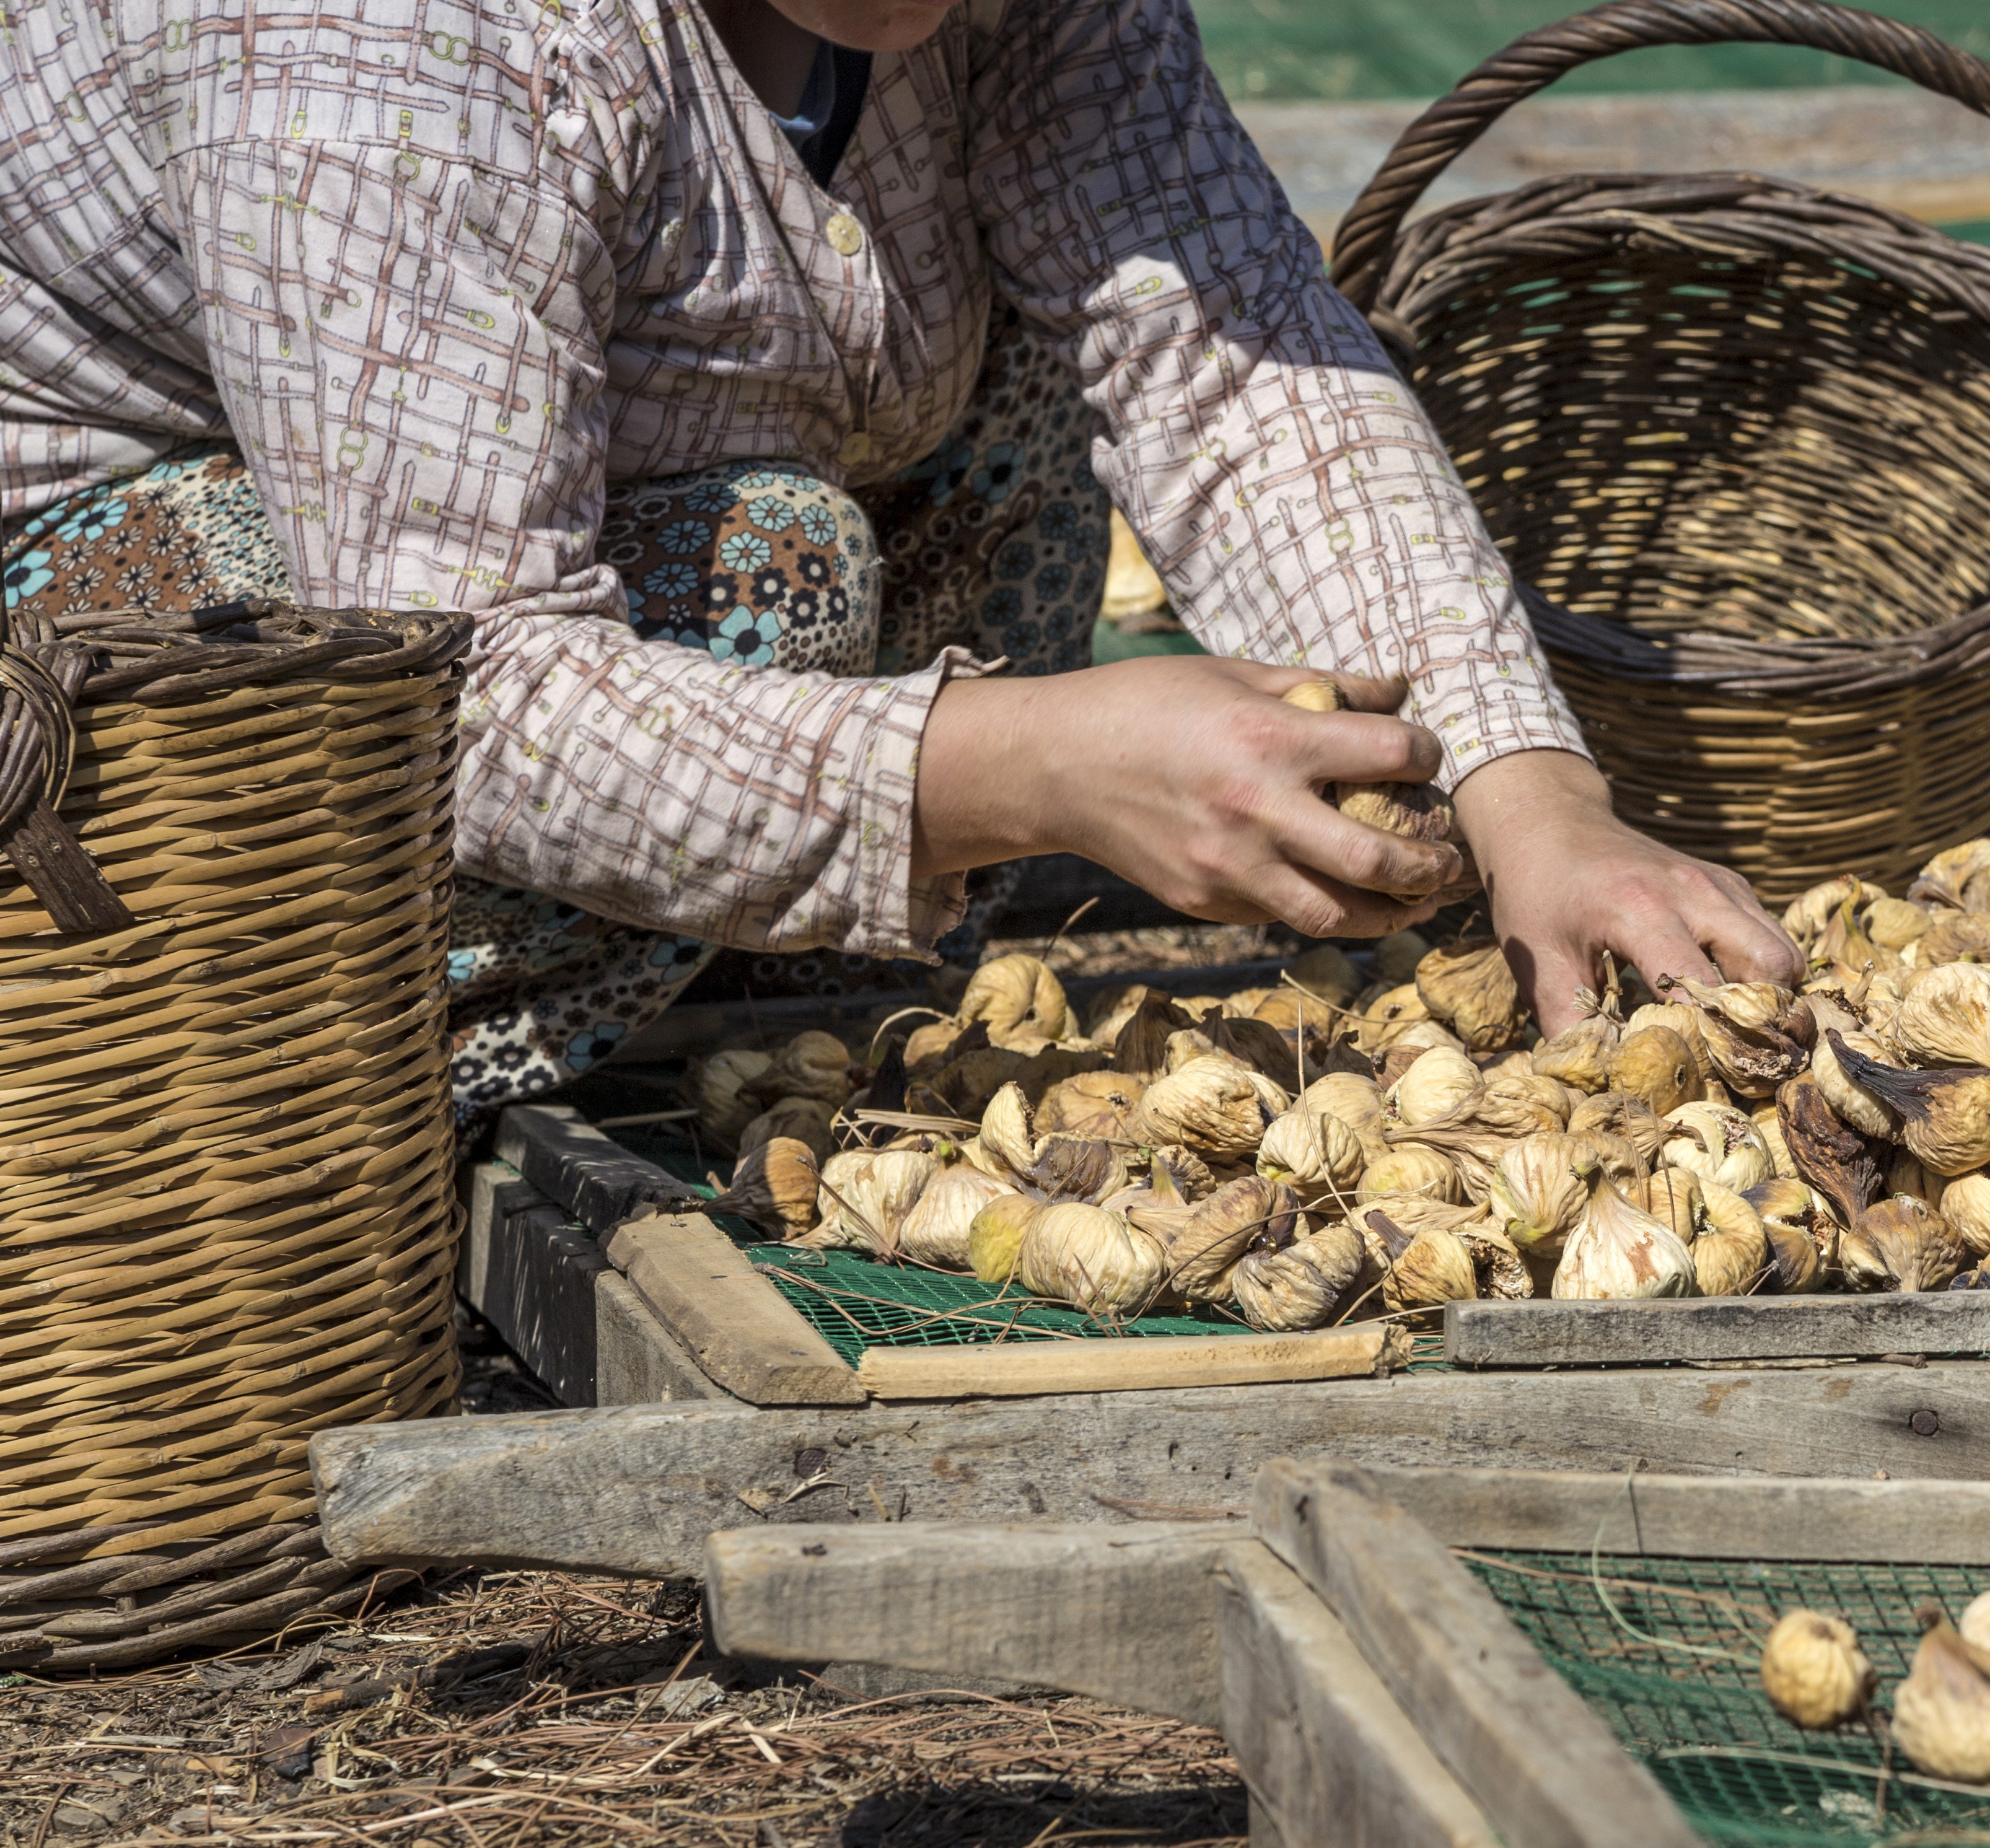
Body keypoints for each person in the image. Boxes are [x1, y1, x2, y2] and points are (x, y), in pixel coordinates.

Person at [0, 0, 1799, 1118]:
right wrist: (1021, 763)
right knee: (768, 564)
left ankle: (755, 1024)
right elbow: (455, 677)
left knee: (1030, 362)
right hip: (111, 665)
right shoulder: (379, 42)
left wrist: (1528, 797)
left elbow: (1227, 361)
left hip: (595, 509)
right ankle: (370, 1110)